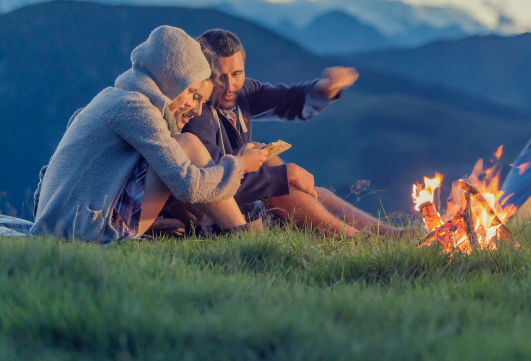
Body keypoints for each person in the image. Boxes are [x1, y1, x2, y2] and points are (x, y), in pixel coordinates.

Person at [31, 26, 269, 243]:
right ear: (171, 80)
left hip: (66, 223)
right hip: (83, 230)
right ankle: (244, 239)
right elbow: (187, 184)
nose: (197, 110)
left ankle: (223, 232)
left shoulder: (113, 98)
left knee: (178, 153)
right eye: (193, 94)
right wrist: (238, 165)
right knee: (186, 145)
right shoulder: (135, 107)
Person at [185, 29, 407, 238]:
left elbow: (287, 101)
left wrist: (325, 88)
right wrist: (284, 174)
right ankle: (363, 242)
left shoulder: (242, 93)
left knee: (314, 193)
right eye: (219, 76)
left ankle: (395, 236)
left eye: (237, 73)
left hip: (242, 198)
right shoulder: (196, 112)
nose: (229, 85)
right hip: (218, 216)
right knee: (280, 185)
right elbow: (210, 180)